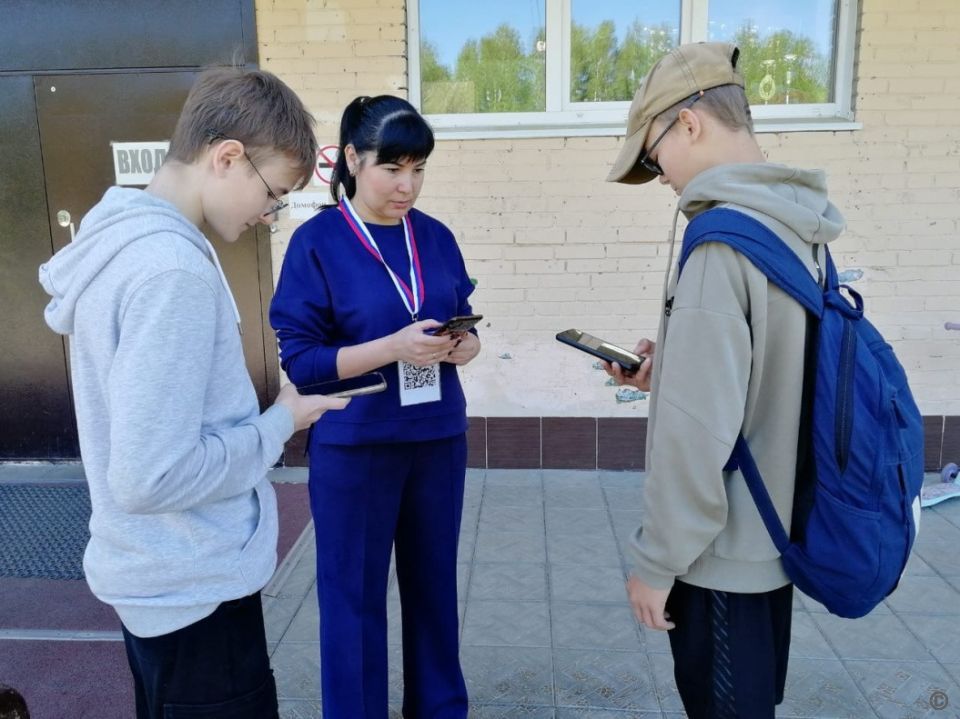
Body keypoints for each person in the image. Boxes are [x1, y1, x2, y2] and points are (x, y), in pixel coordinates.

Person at [39, 67, 349, 718]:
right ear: (227, 157)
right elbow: (151, 476)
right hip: (194, 589)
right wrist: (281, 422)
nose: (269, 215)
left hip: (157, 580)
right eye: (273, 193)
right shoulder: (172, 271)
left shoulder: (122, 244)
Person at [603, 42, 844, 718]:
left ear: (689, 123)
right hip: (778, 532)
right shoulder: (798, 224)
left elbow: (696, 434)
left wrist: (656, 563)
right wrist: (673, 369)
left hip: (720, 553)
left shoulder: (718, 242)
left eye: (654, 156)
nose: (660, 177)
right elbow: (777, 374)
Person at [269, 94, 480, 718]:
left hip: (436, 439)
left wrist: (465, 346)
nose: (406, 185)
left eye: (418, 169)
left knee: (435, 592)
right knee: (352, 601)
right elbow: (302, 362)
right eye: (392, 168)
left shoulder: (435, 237)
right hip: (354, 446)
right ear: (353, 160)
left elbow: (461, 319)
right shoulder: (317, 243)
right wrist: (392, 347)